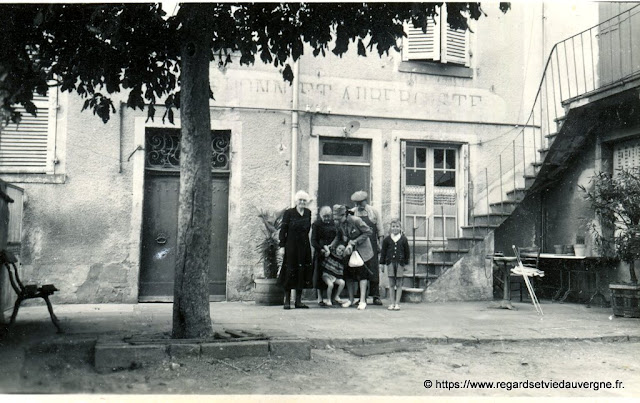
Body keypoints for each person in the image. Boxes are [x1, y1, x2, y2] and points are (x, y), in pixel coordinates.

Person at [330, 204, 373, 310]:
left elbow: (368, 231)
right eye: (335, 218)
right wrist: (332, 244)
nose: (337, 220)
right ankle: (351, 299)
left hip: (363, 252)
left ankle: (362, 301)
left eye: (339, 218)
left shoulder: (356, 220)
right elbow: (339, 236)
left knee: (362, 276)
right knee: (348, 276)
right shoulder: (339, 224)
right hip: (349, 252)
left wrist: (354, 242)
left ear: (344, 214)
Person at [278, 190, 313, 309]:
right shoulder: (289, 213)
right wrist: (282, 246)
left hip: (304, 246)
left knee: (302, 271)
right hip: (291, 246)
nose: (302, 202)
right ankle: (287, 300)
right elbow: (283, 230)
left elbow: (307, 229)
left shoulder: (308, 212)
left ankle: (298, 301)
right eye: (300, 200)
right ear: (296, 201)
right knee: (290, 271)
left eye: (304, 200)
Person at [350, 191, 384, 306]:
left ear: (366, 201)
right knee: (360, 269)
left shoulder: (373, 212)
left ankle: (375, 296)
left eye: (361, 203)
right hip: (359, 244)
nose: (359, 206)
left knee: (373, 269)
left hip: (372, 244)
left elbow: (380, 230)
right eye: (357, 203)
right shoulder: (353, 212)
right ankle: (360, 296)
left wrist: (380, 244)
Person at [380, 219, 410, 311]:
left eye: (397, 226)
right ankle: (392, 303)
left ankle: (397, 303)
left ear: (400, 228)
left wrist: (406, 264)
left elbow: (407, 252)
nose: (395, 228)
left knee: (399, 284)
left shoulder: (404, 239)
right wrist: (381, 263)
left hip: (400, 263)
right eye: (393, 226)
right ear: (390, 228)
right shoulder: (387, 239)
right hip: (390, 263)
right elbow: (383, 252)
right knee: (391, 284)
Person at [311, 205, 337, 306]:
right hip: (320, 252)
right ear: (320, 215)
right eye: (324, 216)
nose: (326, 218)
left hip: (332, 251)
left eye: (328, 216)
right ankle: (320, 297)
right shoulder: (316, 224)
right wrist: (321, 249)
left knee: (333, 273)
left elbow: (336, 236)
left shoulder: (333, 223)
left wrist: (332, 247)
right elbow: (313, 240)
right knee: (319, 274)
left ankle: (332, 297)